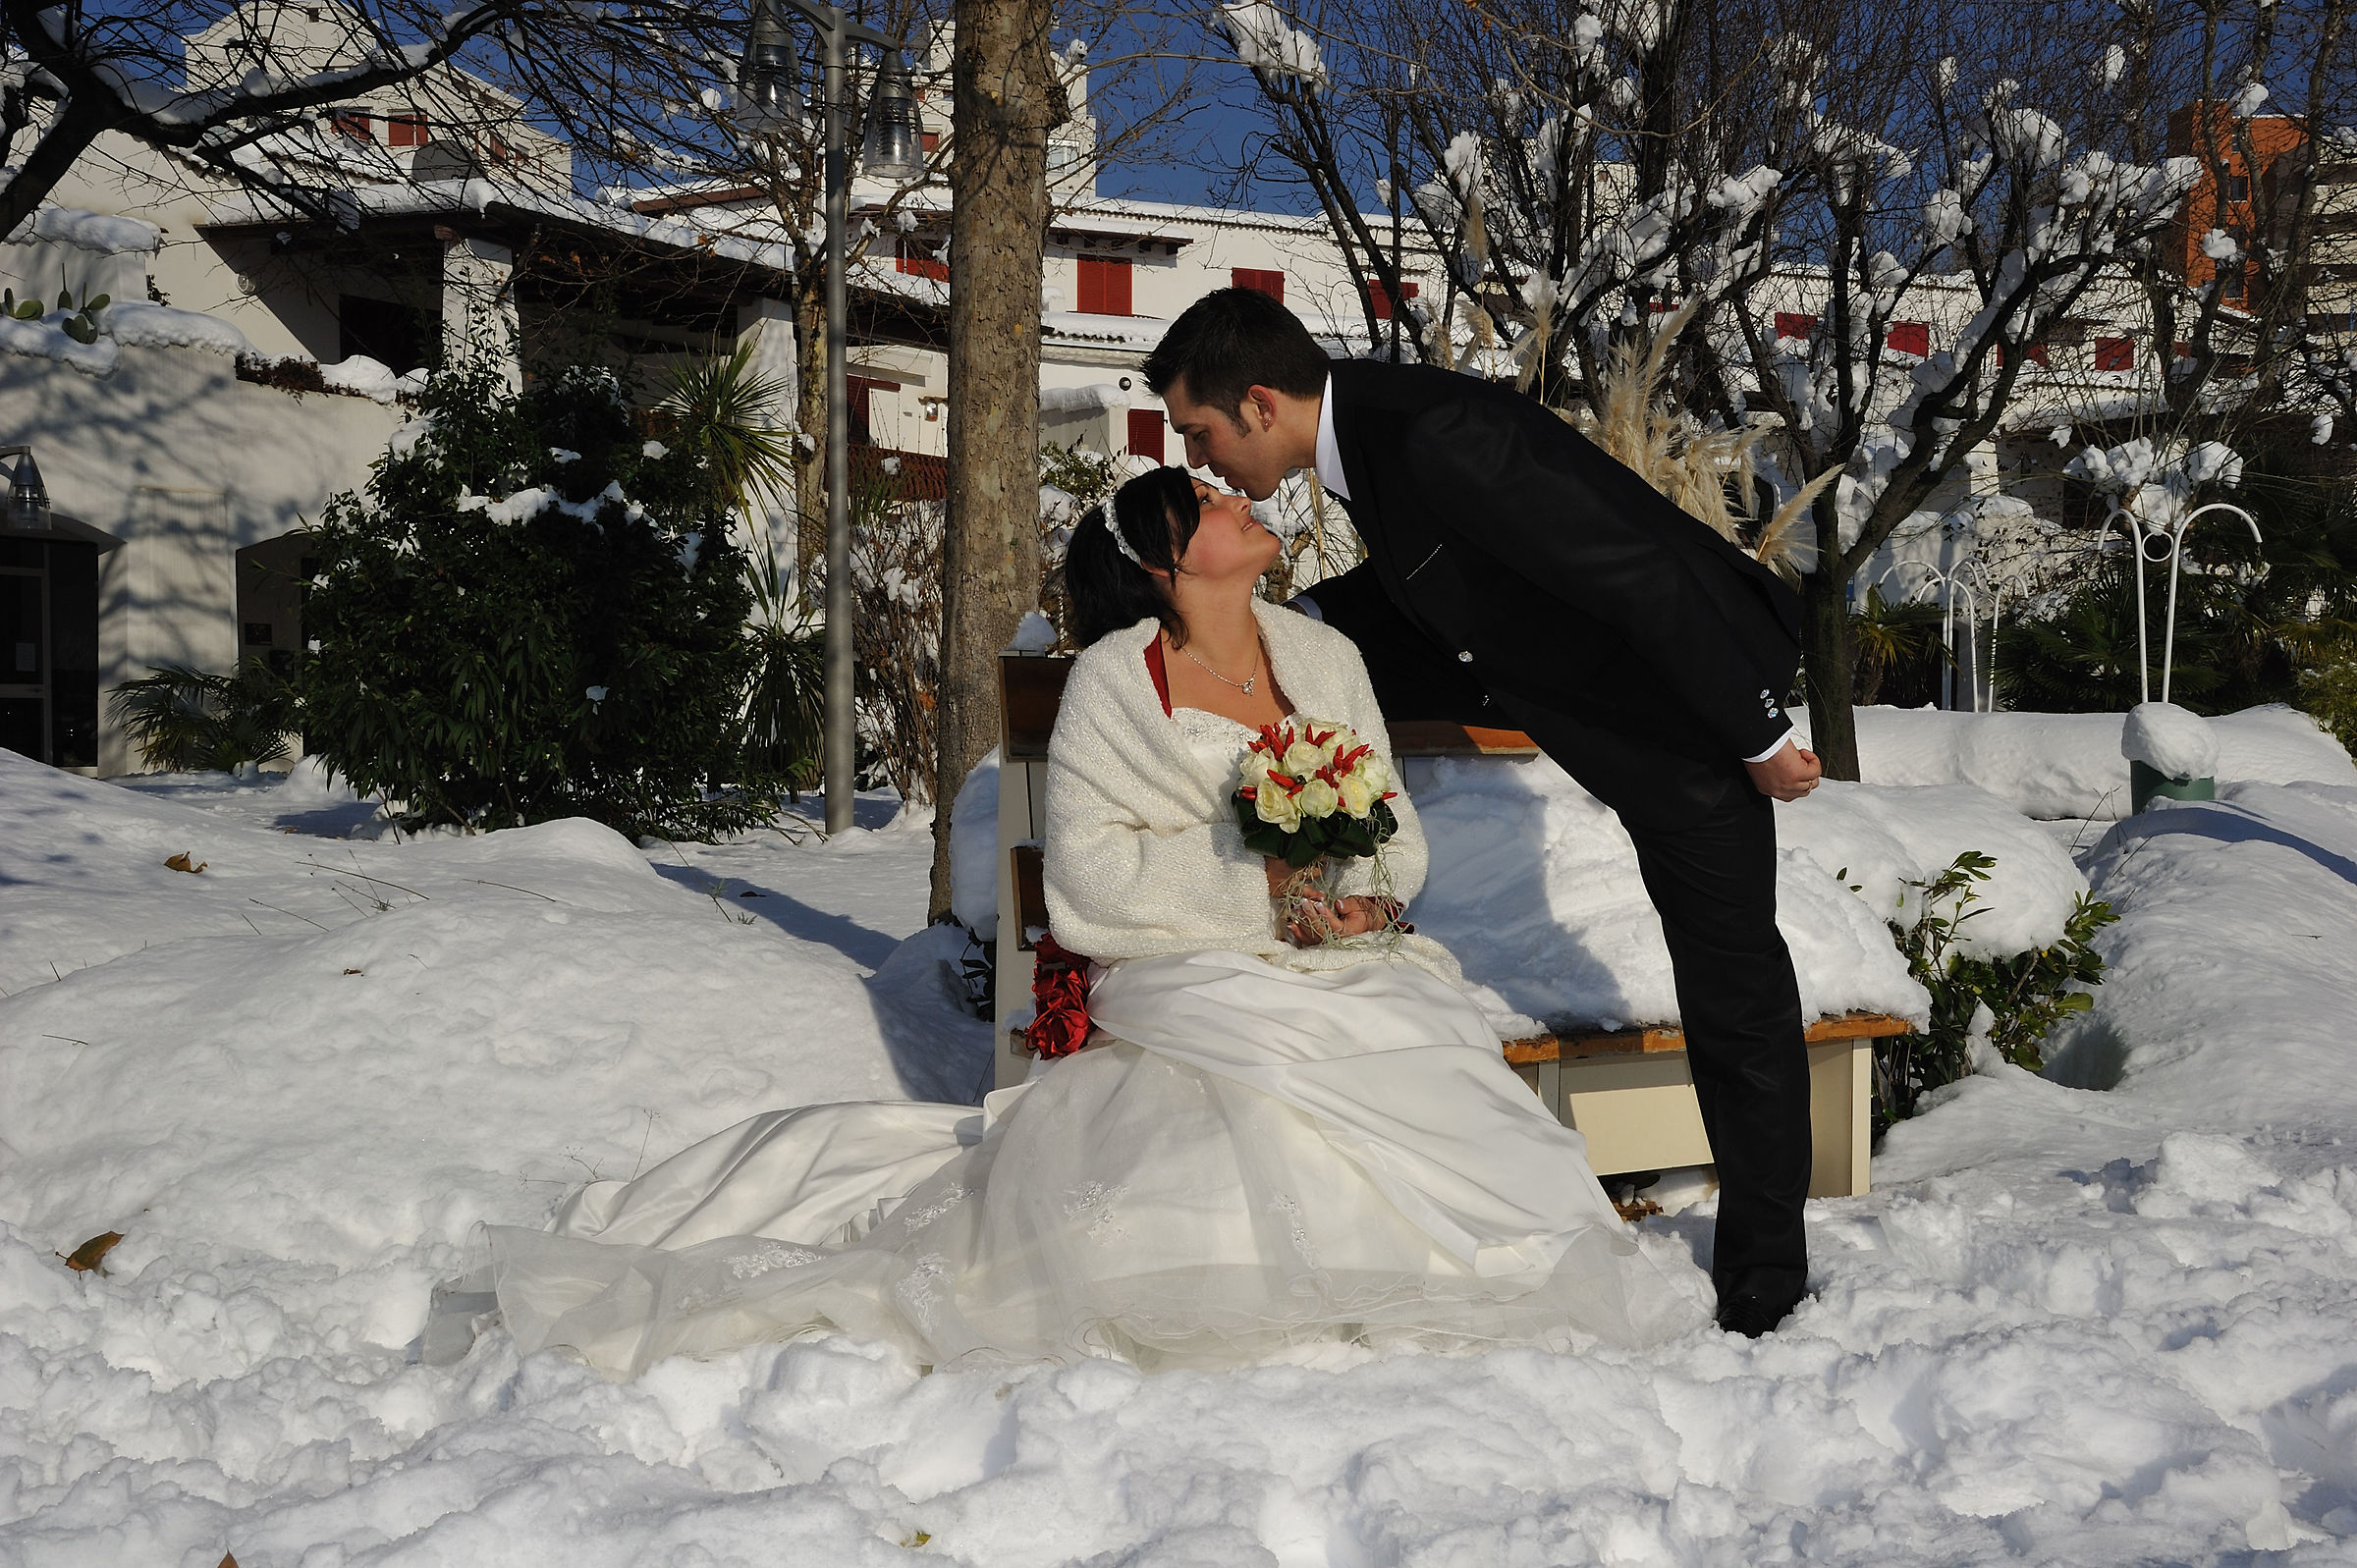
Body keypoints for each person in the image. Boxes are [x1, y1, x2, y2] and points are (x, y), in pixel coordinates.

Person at [476, 465, 1705, 1379]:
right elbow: (1092, 884)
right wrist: (1263, 897)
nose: (1242, 504)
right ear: (1173, 561)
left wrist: (1355, 891)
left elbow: (1396, 824)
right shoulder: (1123, 681)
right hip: (1197, 973)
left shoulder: (1324, 664)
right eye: (1214, 506)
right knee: (1238, 1102)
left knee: (1423, 1037)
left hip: (1355, 957)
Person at [1142, 288, 1823, 1338]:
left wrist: (1759, 733)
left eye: (1201, 432)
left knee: (1736, 994)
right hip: (1593, 693)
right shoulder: (1376, 436)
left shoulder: (1430, 436)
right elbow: (1437, 577)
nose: (1204, 460)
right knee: (1732, 987)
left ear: (1261, 402)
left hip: (1681, 704)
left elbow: (1635, 573)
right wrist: (1303, 626)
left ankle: (1769, 1295)